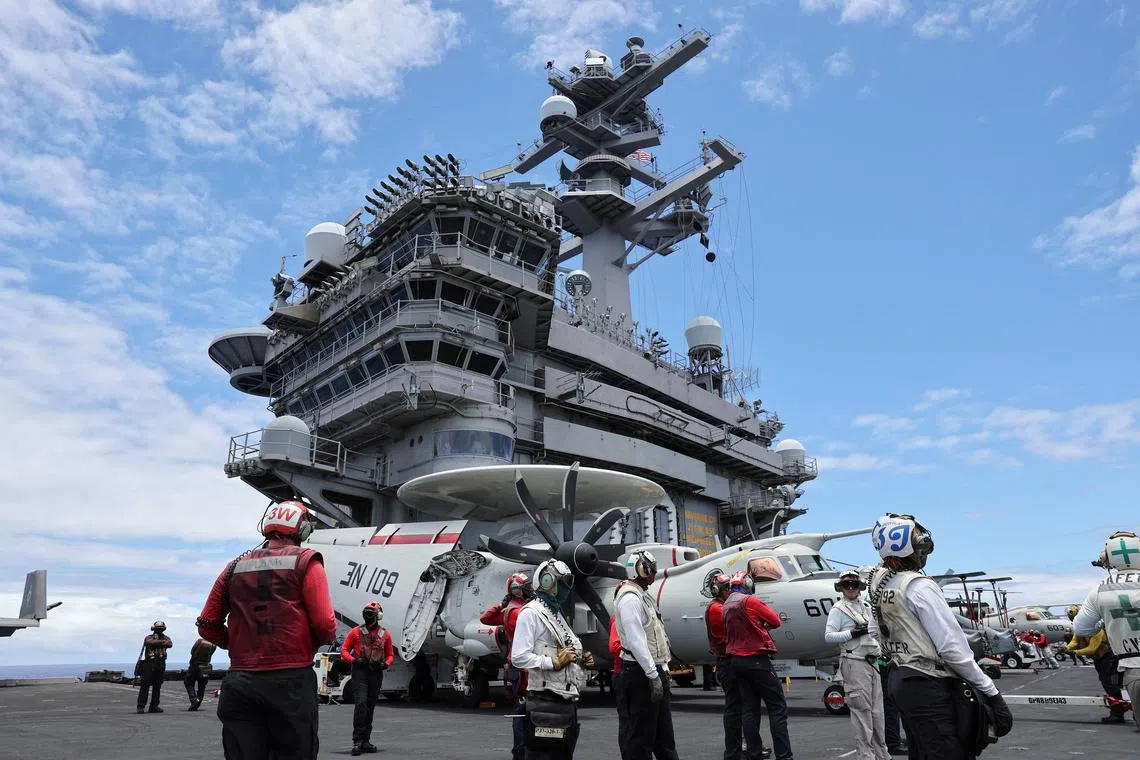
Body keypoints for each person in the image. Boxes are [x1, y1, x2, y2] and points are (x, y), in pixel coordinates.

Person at [196, 499, 337, 760]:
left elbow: (206, 624)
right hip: (290, 681)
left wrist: (238, 644)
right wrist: (308, 645)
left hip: (240, 682)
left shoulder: (234, 567)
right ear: (302, 529)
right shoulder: (307, 562)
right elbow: (326, 626)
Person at [868, 513, 1013, 760]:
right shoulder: (919, 586)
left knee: (921, 752)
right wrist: (990, 691)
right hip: (929, 685)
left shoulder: (881, 584)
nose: (922, 545)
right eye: (917, 539)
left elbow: (874, 630)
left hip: (901, 679)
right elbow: (952, 648)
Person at [510, 559, 594, 760]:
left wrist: (581, 659)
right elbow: (518, 657)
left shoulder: (555, 614)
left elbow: (564, 650)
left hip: (565, 700)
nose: (566, 590)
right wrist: (553, 662)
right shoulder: (530, 613)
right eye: (562, 583)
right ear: (547, 581)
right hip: (544, 699)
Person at [613, 550, 679, 760]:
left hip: (654, 670)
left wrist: (663, 669)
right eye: (650, 568)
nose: (652, 573)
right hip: (640, 673)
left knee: (664, 737)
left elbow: (656, 634)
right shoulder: (630, 598)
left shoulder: (643, 595)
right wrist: (652, 675)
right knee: (641, 738)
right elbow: (636, 641)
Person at [1071, 530, 1140, 730]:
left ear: (1107, 558)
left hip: (1133, 668)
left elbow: (1081, 627)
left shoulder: (1100, 590)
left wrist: (1105, 624)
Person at [723, 569, 790, 760]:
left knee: (749, 709)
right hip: (756, 659)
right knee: (777, 707)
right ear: (748, 584)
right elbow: (775, 621)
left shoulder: (727, 605)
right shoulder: (750, 601)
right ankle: (785, 756)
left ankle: (754, 753)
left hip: (736, 661)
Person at [825, 570, 888, 760]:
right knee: (862, 712)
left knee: (877, 713)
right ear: (841, 588)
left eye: (853, 584)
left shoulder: (867, 607)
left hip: (872, 662)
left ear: (860, 586)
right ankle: (866, 756)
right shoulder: (838, 609)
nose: (851, 588)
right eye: (846, 585)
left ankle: (882, 754)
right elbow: (828, 636)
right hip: (854, 663)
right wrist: (852, 633)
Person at [480, 573, 534, 760]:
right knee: (523, 711)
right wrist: (503, 605)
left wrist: (502, 605)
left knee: (524, 710)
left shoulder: (512, 609)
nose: (531, 589)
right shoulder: (517, 612)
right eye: (526, 587)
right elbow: (485, 619)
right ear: (517, 591)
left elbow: (487, 618)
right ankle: (521, 751)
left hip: (517, 665)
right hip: (523, 668)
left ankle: (523, 750)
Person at [340, 601, 395, 755]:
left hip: (376, 673)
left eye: (371, 612)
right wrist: (354, 660)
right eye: (367, 612)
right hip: (360, 672)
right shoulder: (355, 632)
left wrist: (386, 664)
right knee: (361, 704)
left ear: (379, 615)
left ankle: (365, 741)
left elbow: (390, 655)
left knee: (370, 706)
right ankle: (357, 740)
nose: (368, 616)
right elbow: (344, 651)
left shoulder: (385, 634)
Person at [705, 572, 749, 760]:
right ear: (717, 590)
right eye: (726, 589)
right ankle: (733, 751)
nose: (730, 592)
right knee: (734, 708)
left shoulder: (723, 606)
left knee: (741, 707)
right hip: (728, 661)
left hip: (731, 660)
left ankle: (742, 746)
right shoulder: (717, 609)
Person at [136, 620, 173, 714]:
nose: (160, 631)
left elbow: (169, 644)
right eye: (158, 629)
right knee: (145, 686)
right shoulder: (149, 637)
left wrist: (158, 642)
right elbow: (149, 642)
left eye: (161, 629)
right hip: (149, 664)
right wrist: (162, 642)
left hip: (160, 664)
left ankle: (154, 706)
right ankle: (141, 706)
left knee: (157, 686)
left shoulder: (166, 638)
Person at [184, 636, 217, 711]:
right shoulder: (214, 644)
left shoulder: (199, 641)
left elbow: (192, 652)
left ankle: (194, 699)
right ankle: (197, 702)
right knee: (202, 686)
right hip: (206, 666)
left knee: (188, 682)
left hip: (195, 665)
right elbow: (211, 654)